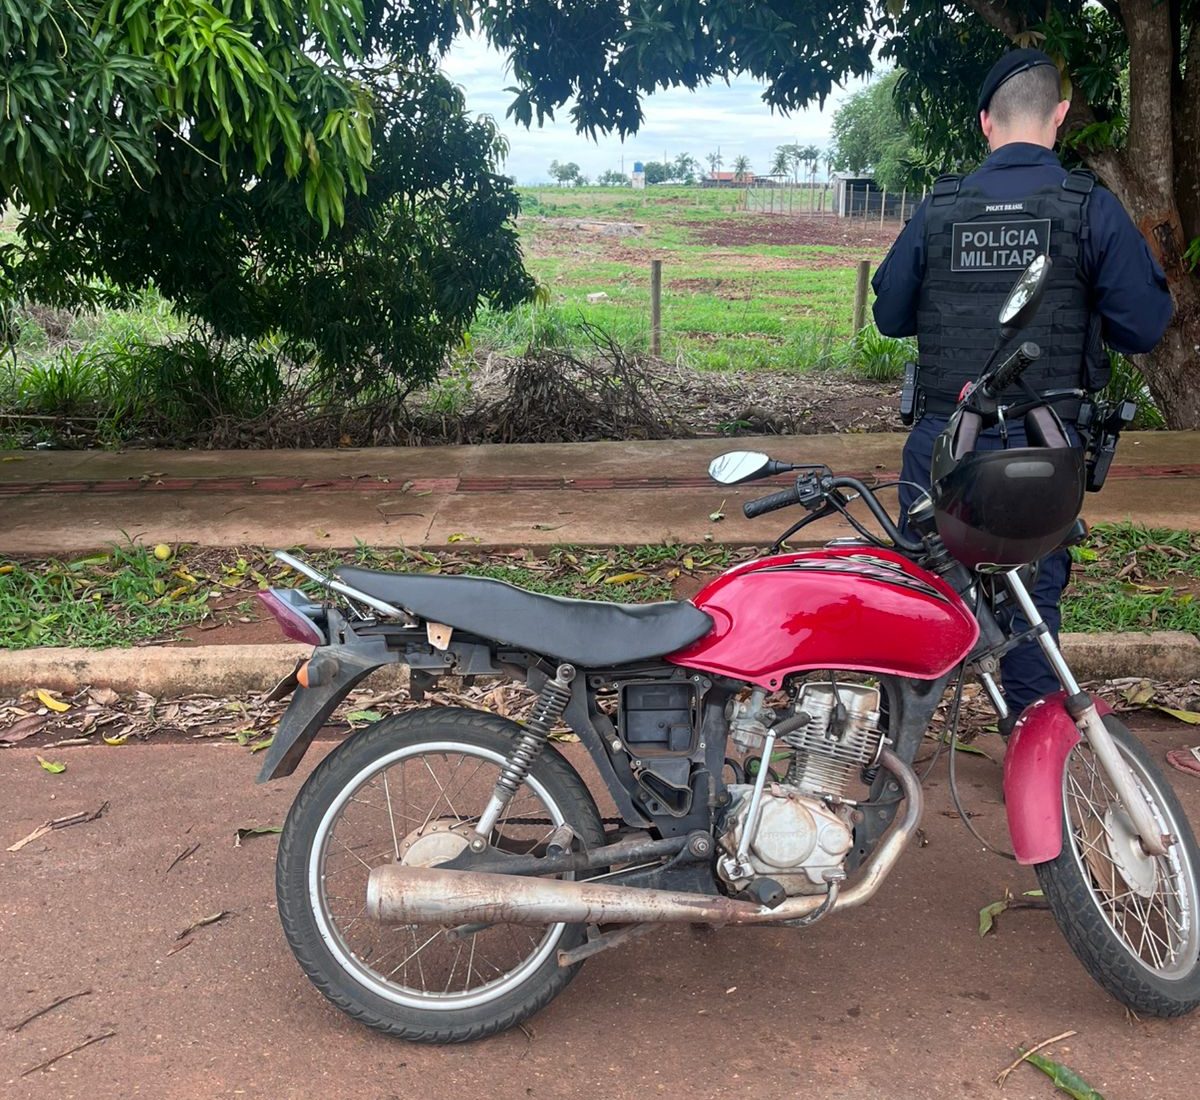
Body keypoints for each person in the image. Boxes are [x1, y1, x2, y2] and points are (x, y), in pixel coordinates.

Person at [871, 48, 1173, 730]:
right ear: (1060, 116)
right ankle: (1036, 754)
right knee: (1033, 605)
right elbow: (1144, 327)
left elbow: (889, 316)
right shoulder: (1087, 207)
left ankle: (891, 756)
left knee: (924, 591)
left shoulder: (940, 209)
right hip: (1042, 449)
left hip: (944, 443)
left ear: (984, 123)